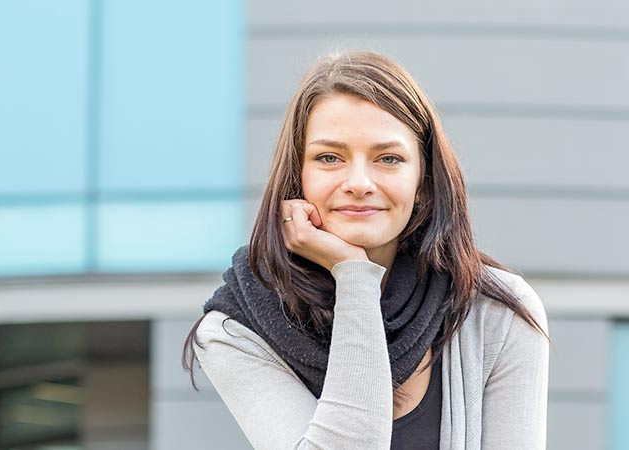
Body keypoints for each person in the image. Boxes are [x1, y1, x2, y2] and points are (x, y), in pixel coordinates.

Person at [180, 50, 550, 449]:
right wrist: (354, 275)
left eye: (388, 158)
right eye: (329, 157)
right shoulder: (236, 329)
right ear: (297, 176)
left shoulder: (497, 313)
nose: (359, 182)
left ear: (423, 180)